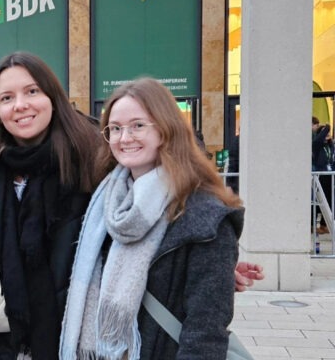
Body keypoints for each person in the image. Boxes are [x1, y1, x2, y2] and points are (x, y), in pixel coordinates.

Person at [60, 78, 243, 359]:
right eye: (115, 129)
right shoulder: (104, 206)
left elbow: (205, 333)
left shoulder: (206, 216)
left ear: (166, 129)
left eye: (138, 126)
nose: (125, 138)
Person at [0, 52, 104, 359]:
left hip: (80, 337)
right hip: (10, 344)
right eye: (6, 97)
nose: (20, 105)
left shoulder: (93, 157)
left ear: (52, 96)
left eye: (32, 91)